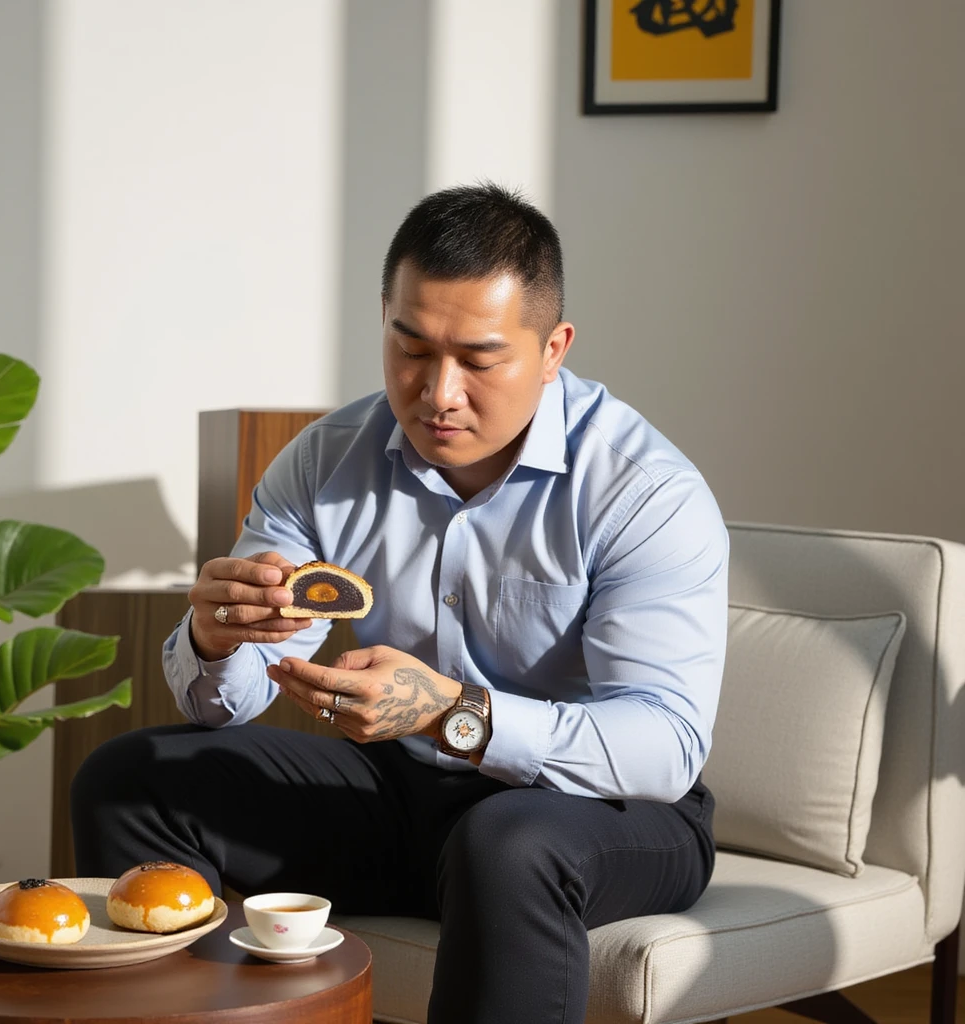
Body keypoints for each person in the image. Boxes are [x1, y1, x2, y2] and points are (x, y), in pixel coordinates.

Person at [71, 183, 729, 1024]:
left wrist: (452, 714)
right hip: (402, 797)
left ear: (553, 347)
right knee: (129, 778)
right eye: (410, 347)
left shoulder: (643, 492)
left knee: (509, 843)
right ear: (384, 319)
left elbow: (664, 747)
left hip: (606, 818)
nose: (437, 391)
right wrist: (214, 637)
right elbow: (223, 706)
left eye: (480, 359)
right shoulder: (325, 461)